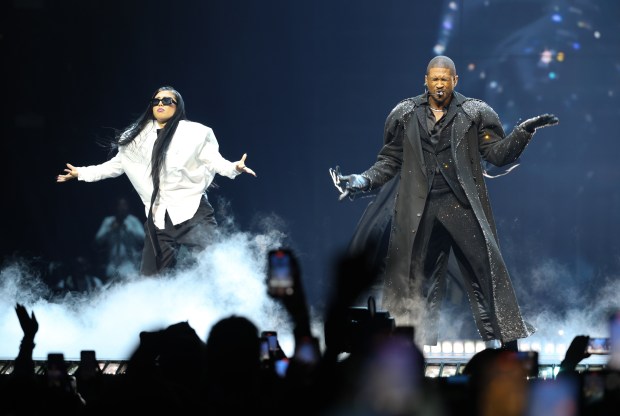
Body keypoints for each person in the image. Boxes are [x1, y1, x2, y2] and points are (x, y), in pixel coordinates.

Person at [330, 55, 559, 349]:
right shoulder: (404, 113)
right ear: (425, 80)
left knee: (487, 272)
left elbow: (498, 155)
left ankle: (509, 350)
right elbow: (389, 160)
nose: (439, 85)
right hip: (418, 208)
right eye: (434, 79)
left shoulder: (475, 112)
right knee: (412, 282)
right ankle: (409, 354)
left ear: (455, 81)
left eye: (445, 79)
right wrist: (361, 180)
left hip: (461, 205)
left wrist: (523, 132)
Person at [57, 86, 256, 276]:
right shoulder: (136, 138)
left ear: (177, 106)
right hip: (158, 218)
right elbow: (115, 166)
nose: (160, 103)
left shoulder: (195, 133)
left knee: (212, 266)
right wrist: (81, 173)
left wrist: (234, 168)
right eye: (156, 100)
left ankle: (226, 307)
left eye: (167, 100)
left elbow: (214, 161)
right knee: (150, 278)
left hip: (193, 212)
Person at [94, 196, 145, 282]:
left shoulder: (133, 221)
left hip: (130, 266)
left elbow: (144, 239)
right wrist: (110, 229)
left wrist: (129, 229)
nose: (122, 208)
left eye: (124, 205)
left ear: (128, 206)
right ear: (116, 207)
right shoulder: (108, 221)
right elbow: (98, 240)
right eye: (120, 205)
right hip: (112, 266)